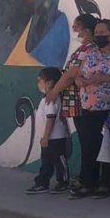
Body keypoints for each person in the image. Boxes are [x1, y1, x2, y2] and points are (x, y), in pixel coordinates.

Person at [69, 19, 110, 199]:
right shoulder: (89, 52)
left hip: (109, 107)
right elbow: (77, 75)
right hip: (88, 105)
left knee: (107, 146)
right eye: (97, 33)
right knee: (88, 145)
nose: (100, 36)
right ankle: (88, 182)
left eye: (103, 33)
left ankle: (105, 183)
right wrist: (80, 81)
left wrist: (105, 78)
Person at [44, 14, 96, 197]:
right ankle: (86, 178)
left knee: (88, 142)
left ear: (86, 30)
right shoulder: (83, 49)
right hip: (78, 102)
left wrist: (54, 91)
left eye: (77, 27)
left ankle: (88, 180)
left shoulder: (87, 50)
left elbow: (70, 75)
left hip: (83, 102)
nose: (74, 31)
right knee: (85, 142)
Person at [26, 67, 71, 195]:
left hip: (55, 138)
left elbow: (50, 120)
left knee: (59, 160)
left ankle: (63, 182)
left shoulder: (52, 99)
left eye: (41, 80)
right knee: (46, 161)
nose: (39, 84)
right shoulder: (45, 99)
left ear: (50, 83)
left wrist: (46, 137)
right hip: (47, 138)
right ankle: (42, 183)